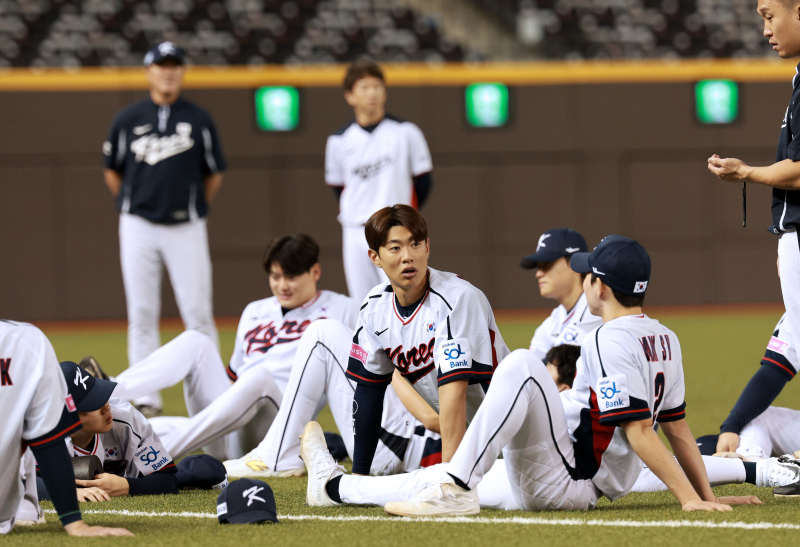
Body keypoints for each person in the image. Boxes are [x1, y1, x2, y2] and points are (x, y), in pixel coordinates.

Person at [298, 235, 773, 514]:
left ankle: (455, 489)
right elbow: (680, 430)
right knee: (441, 479)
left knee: (521, 363)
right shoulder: (664, 336)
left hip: (573, 479)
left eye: (586, 274)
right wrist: (706, 495)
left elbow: (642, 433)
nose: (581, 277)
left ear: (598, 286)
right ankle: (337, 486)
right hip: (563, 468)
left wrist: (690, 501)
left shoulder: (608, 339)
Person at [87, 235, 357, 462]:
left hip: (281, 427)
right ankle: (108, 391)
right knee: (196, 341)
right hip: (230, 425)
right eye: (275, 276)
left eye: (291, 276)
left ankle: (158, 452)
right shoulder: (255, 310)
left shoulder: (343, 310)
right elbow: (233, 377)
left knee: (259, 377)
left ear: (315, 272)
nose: (282, 285)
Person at [102, 41, 226, 417]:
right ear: (149, 71)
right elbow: (113, 171)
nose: (168, 71)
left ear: (182, 71)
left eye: (174, 65)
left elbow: (214, 173)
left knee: (198, 313)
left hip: (185, 226)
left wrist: (191, 206)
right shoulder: (127, 119)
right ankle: (145, 399)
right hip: (138, 225)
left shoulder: (200, 119)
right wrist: (136, 203)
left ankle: (214, 399)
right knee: (141, 312)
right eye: (161, 65)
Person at [344, 205, 509, 473]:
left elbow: (454, 392)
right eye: (395, 248)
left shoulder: (457, 298)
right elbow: (369, 394)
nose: (408, 257)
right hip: (475, 442)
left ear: (428, 246)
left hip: (514, 438)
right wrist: (359, 475)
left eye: (415, 244)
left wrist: (451, 477)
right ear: (375, 257)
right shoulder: (374, 307)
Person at [223, 319, 442, 478]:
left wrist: (384, 365)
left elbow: (435, 419)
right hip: (406, 439)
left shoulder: (460, 349)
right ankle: (279, 453)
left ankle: (277, 456)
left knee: (322, 334)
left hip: (405, 446)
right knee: (327, 334)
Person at [0, 320, 132, 536]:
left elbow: (47, 440)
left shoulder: (27, 344)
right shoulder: (27, 342)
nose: (105, 406)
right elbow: (47, 440)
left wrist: (74, 521)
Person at [325, 60, 433, 303]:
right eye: (363, 87)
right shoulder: (338, 140)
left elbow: (424, 182)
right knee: (364, 302)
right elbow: (338, 187)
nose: (371, 93)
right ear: (350, 96)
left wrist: (403, 219)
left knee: (405, 295)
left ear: (384, 92)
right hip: (355, 229)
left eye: (376, 86)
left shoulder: (406, 132)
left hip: (394, 228)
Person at [36, 361, 178, 503]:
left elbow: (168, 479)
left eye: (100, 394)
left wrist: (128, 486)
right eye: (94, 404)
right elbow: (21, 481)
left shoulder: (125, 418)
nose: (106, 407)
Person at [520, 228, 602, 364]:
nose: (538, 273)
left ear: (574, 263)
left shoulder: (597, 309)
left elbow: (559, 368)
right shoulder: (554, 320)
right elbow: (529, 367)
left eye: (546, 264)